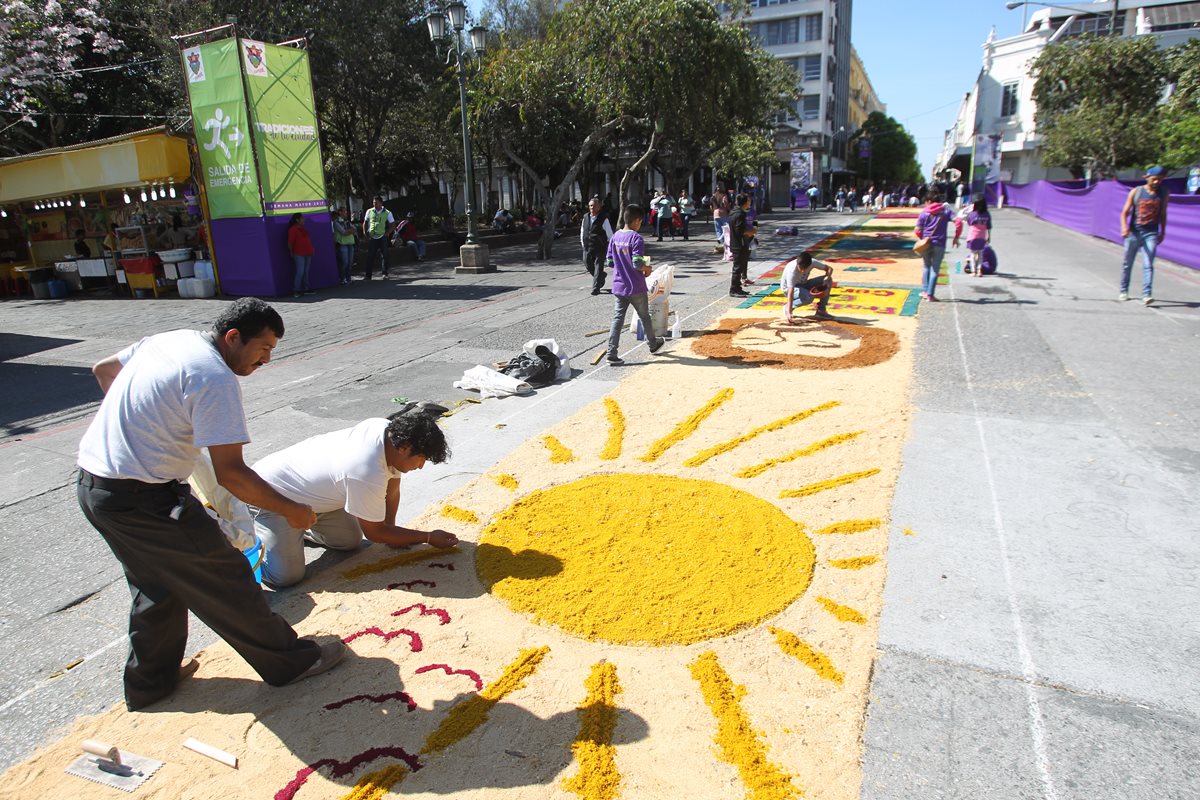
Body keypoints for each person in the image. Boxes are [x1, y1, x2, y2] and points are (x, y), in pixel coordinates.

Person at [76, 299, 345, 711]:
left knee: (156, 584)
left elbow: (103, 370)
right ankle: (291, 661)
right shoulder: (214, 377)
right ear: (233, 337)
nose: (266, 360)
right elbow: (232, 475)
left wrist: (139, 429)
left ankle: (151, 682)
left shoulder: (171, 340)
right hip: (146, 500)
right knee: (225, 576)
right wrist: (292, 510)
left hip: (95, 487)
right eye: (263, 348)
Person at [251, 410, 458, 588]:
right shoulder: (365, 471)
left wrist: (392, 530)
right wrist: (428, 537)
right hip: (270, 497)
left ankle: (299, 531)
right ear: (404, 448)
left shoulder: (388, 433)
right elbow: (375, 533)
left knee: (348, 541)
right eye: (421, 459)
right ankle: (246, 544)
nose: (421, 466)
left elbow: (392, 491)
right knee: (286, 577)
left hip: (313, 496)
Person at [603, 204, 665, 365]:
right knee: (644, 316)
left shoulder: (615, 237)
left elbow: (610, 262)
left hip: (619, 286)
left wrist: (621, 265)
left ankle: (611, 353)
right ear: (637, 220)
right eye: (641, 221)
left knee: (617, 319)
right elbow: (637, 263)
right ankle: (653, 344)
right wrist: (647, 269)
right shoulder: (636, 238)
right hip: (635, 286)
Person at [1119, 165, 1168, 305]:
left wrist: (1162, 232)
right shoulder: (1137, 192)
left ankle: (1147, 294)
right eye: (1154, 179)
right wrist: (1124, 227)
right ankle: (1124, 290)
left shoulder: (1164, 193)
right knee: (1127, 263)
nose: (1157, 182)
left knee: (1148, 263)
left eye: (1160, 179)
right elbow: (1124, 213)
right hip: (1134, 232)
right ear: (1147, 178)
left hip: (1151, 233)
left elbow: (1163, 214)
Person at [913, 190, 962, 301]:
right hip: (939, 243)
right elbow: (958, 222)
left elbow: (917, 230)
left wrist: (923, 239)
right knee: (935, 269)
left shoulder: (924, 212)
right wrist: (956, 237)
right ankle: (930, 295)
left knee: (926, 266)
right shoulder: (945, 211)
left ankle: (925, 291)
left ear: (928, 201)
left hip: (926, 244)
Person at [780, 251, 834, 323]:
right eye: (801, 268)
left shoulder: (813, 262)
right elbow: (790, 292)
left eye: (805, 268)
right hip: (788, 289)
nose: (803, 271)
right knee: (809, 297)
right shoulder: (791, 271)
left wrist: (827, 279)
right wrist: (789, 312)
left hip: (804, 284)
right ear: (797, 264)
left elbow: (829, 269)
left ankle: (821, 310)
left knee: (829, 280)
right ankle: (787, 307)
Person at [580, 196, 615, 295]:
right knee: (587, 263)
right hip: (587, 246)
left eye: (594, 206)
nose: (592, 208)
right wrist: (583, 243)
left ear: (599, 207)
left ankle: (596, 288)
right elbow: (582, 231)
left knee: (598, 266)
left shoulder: (603, 218)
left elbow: (610, 235)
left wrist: (611, 248)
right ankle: (601, 276)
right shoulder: (585, 217)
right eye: (590, 206)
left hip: (600, 246)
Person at [727, 193, 756, 297]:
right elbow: (739, 231)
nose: (749, 203)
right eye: (748, 201)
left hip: (736, 243)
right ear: (744, 203)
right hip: (739, 244)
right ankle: (734, 289)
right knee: (737, 268)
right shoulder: (740, 214)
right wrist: (751, 232)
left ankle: (738, 288)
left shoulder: (733, 212)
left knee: (739, 266)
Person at [362, 196, 395, 280]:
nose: (374, 204)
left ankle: (385, 273)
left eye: (376, 203)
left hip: (382, 237)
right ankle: (368, 275)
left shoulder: (387, 212)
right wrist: (365, 233)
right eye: (373, 203)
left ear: (381, 203)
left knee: (385, 255)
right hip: (372, 237)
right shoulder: (369, 211)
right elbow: (365, 222)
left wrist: (387, 233)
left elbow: (392, 225)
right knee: (370, 256)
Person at [287, 213, 314, 297]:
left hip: (308, 252)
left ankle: (306, 288)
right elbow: (290, 242)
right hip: (298, 254)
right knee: (300, 271)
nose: (304, 219)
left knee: (306, 271)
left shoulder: (303, 228)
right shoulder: (293, 229)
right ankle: (296, 290)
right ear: (297, 220)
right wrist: (291, 252)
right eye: (302, 218)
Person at [964, 198, 992, 276]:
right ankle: (979, 270)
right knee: (980, 254)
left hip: (973, 236)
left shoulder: (973, 214)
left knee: (973, 254)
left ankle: (973, 271)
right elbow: (989, 226)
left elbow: (969, 222)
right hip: (982, 236)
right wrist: (989, 237)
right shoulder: (987, 214)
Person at [332, 207, 357, 285]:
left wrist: (349, 231)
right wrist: (350, 231)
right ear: (340, 213)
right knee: (344, 262)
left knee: (350, 262)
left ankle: (348, 278)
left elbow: (355, 229)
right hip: (342, 244)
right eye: (344, 211)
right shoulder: (336, 222)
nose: (346, 213)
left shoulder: (347, 221)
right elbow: (343, 232)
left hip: (350, 243)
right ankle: (342, 278)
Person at [712, 187, 730, 252]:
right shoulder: (724, 196)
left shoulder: (713, 196)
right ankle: (723, 242)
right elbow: (726, 204)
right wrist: (729, 210)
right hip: (723, 213)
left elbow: (712, 206)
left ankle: (721, 244)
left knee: (718, 230)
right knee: (726, 229)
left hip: (716, 214)